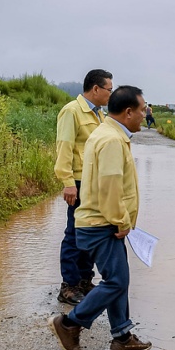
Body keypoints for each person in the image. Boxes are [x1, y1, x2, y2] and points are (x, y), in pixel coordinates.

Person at [48, 85, 152, 350]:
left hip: (99, 221)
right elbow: (110, 187)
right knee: (117, 281)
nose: (145, 115)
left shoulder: (108, 133)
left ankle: (122, 336)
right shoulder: (111, 140)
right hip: (101, 224)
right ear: (128, 112)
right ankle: (70, 324)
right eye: (142, 110)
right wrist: (121, 222)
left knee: (117, 279)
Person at [54, 69, 113, 305]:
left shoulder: (99, 115)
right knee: (74, 233)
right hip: (78, 182)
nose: (111, 93)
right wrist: (68, 183)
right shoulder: (72, 111)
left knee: (91, 231)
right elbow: (64, 148)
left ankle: (85, 280)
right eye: (108, 89)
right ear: (95, 89)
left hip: (94, 183)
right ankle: (68, 286)